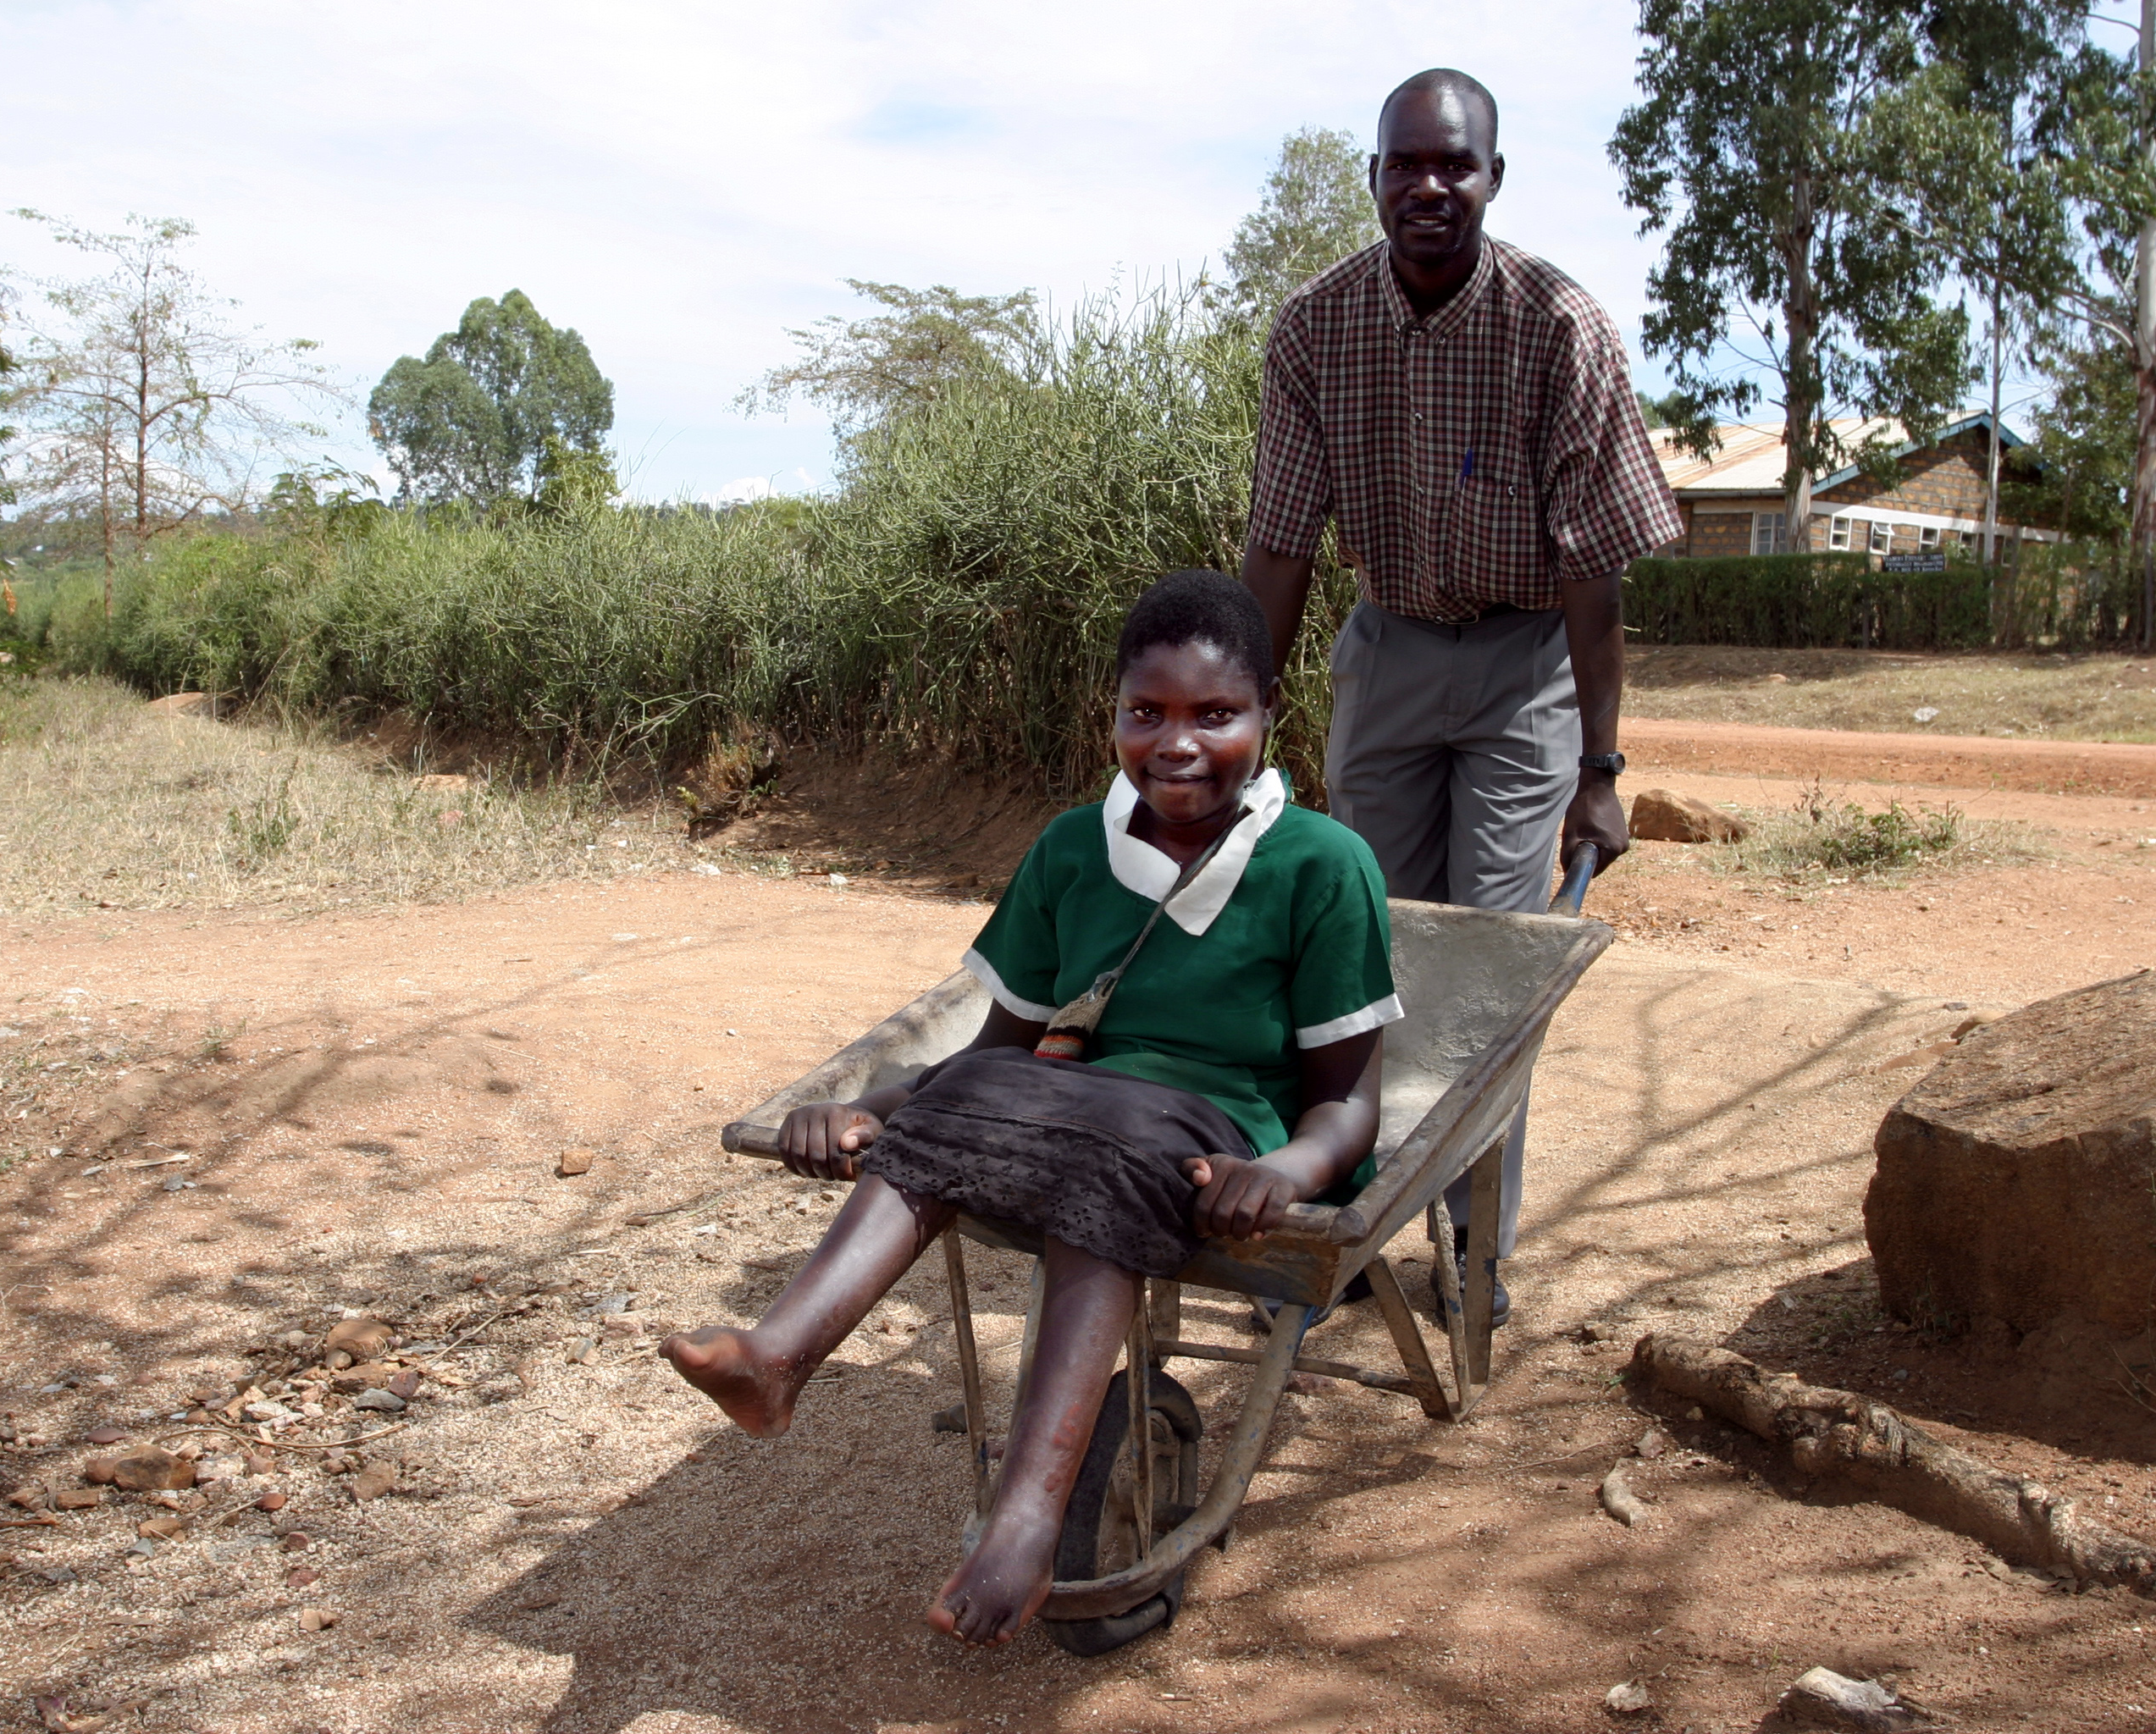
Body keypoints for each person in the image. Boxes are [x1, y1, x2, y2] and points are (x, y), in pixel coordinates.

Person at [661, 570, 1401, 1648]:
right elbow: (998, 1052)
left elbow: (1351, 1097)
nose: (1177, 743)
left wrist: (1286, 1174)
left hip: (1210, 1126)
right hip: (1070, 1096)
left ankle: (1026, 1515)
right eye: (1146, 713)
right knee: (959, 1092)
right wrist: (869, 1107)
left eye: (1216, 715)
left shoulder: (1323, 865)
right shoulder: (1072, 847)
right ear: (1113, 714)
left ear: (1269, 716)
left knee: (1110, 1158)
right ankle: (777, 1361)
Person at [1239, 69, 1683, 1315]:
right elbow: (1280, 544)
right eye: (1406, 165)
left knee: (1486, 969)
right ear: (1374, 177)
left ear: (1493, 180)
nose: (1430, 187)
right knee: (1356, 950)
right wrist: (1239, 728)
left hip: (1522, 664)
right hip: (1387, 651)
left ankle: (1473, 1253)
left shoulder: (1559, 326)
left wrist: (1600, 774)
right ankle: (1348, 1223)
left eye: (1457, 166)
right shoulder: (1315, 328)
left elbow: (1593, 573)